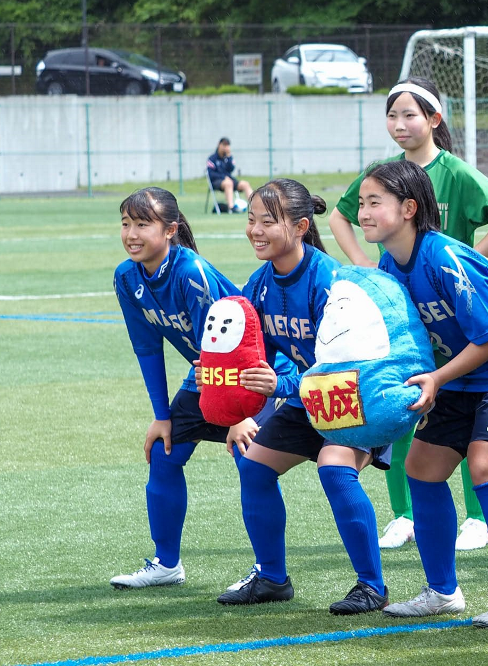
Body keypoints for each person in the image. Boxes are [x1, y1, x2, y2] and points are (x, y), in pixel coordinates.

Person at [356, 159, 488, 627]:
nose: (363, 212)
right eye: (361, 203)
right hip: (463, 372)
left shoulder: (442, 256)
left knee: (485, 465)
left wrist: (438, 380)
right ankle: (442, 591)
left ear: (408, 208)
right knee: (421, 467)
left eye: (373, 202)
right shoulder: (389, 263)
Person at [328, 77, 488, 554]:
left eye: (410, 114)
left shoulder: (455, 189)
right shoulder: (381, 182)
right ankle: (405, 520)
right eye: (392, 115)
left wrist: (474, 259)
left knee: (474, 432)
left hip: (478, 331)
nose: (400, 124)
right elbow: (338, 217)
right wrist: (365, 268)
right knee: (407, 409)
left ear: (434, 119)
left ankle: (480, 522)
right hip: (426, 322)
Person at [217, 179, 392, 615]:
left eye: (267, 222)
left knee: (335, 471)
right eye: (251, 220)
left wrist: (285, 387)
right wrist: (243, 415)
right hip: (308, 400)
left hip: (356, 396)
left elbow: (344, 366)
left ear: (299, 227)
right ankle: (272, 578)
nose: (255, 230)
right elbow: (258, 362)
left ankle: (372, 586)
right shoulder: (258, 285)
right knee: (253, 464)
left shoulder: (330, 282)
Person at [110, 187, 241, 589]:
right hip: (206, 377)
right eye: (126, 223)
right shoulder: (126, 276)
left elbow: (231, 352)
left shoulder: (190, 273)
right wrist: (162, 417)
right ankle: (166, 565)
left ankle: (270, 573)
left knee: (254, 464)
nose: (132, 233)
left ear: (170, 230)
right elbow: (147, 349)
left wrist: (241, 417)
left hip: (255, 375)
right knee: (164, 457)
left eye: (143, 224)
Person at [207, 138, 251, 213]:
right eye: (224, 145)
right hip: (217, 181)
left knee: (245, 184)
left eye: (227, 145)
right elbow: (211, 174)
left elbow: (231, 169)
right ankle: (231, 207)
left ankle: (254, 206)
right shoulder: (212, 159)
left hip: (229, 180)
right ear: (219, 145)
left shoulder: (228, 157)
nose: (225, 147)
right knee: (228, 183)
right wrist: (223, 178)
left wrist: (229, 156)